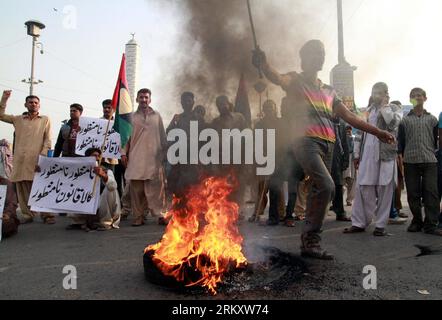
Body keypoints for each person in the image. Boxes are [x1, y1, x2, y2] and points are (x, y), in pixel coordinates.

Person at [252, 40, 395, 259]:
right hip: (305, 141)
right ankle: (310, 239)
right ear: (304, 58)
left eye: (322, 53)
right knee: (326, 185)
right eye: (314, 53)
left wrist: (377, 132)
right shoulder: (295, 80)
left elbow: (350, 117)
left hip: (328, 144)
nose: (319, 56)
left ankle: (310, 243)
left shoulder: (329, 91)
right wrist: (265, 64)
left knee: (322, 191)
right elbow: (277, 77)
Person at [343, 83, 402, 236]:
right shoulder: (367, 111)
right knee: (363, 188)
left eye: (379, 93)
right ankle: (359, 223)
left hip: (386, 155)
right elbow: (360, 134)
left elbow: (392, 123)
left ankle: (380, 226)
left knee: (385, 189)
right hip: (367, 155)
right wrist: (356, 155)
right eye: (374, 93)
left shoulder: (395, 109)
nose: (376, 96)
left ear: (386, 94)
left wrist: (384, 106)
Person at [0, 90, 55, 225]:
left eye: (36, 103)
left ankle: (46, 214)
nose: (33, 104)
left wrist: (42, 158)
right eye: (31, 102)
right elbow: (0, 115)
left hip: (37, 160)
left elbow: (48, 140)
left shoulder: (45, 119)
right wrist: (4, 99)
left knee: (41, 187)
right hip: (20, 160)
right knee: (22, 188)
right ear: (26, 104)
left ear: (39, 106)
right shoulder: (18, 119)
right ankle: (28, 214)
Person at [121, 88, 167, 227]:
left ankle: (160, 215)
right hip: (136, 158)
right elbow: (126, 139)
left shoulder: (156, 116)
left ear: (150, 99)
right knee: (137, 191)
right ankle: (138, 217)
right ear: (137, 99)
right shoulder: (131, 118)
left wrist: (164, 154)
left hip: (154, 158)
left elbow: (163, 136)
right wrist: (123, 153)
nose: (144, 100)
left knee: (156, 189)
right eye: (141, 97)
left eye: (146, 97)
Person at [398, 88, 441, 236]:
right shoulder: (404, 121)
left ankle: (431, 225)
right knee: (413, 194)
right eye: (414, 96)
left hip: (430, 160)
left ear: (425, 98)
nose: (417, 97)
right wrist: (401, 158)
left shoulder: (433, 119)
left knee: (431, 193)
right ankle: (417, 221)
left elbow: (436, 139)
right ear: (410, 100)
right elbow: (401, 142)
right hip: (410, 161)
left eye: (419, 95)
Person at [66, 148, 121, 231]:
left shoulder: (106, 171)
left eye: (99, 156)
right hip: (84, 204)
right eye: (94, 155)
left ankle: (105, 222)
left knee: (111, 189)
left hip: (101, 207)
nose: (97, 158)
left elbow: (113, 186)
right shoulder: (79, 171)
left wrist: (103, 176)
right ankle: (78, 221)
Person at [251, 100, 285, 225]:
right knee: (262, 187)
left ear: (275, 109)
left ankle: (281, 213)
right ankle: (257, 212)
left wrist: (280, 159)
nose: (270, 110)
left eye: (272, 108)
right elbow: (256, 141)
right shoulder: (259, 124)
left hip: (278, 158)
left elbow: (284, 141)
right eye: (267, 108)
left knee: (277, 188)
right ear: (264, 110)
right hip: (263, 158)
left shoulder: (280, 123)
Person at [330, 116, 351, 221]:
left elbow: (344, 142)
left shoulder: (341, 123)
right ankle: (316, 216)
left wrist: (346, 159)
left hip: (338, 157)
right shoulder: (324, 121)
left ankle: (340, 212)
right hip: (325, 155)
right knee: (322, 185)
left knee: (338, 184)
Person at [0, 140, 19, 239]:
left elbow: (12, 203)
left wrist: (7, 213)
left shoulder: (5, 183)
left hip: (4, 216)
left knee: (7, 224)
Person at [343, 125, 356, 207]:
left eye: (349, 130)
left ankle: (349, 200)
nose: (348, 132)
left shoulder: (354, 138)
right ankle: (338, 201)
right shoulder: (342, 139)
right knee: (342, 182)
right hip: (344, 162)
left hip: (352, 162)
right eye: (347, 131)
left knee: (351, 182)